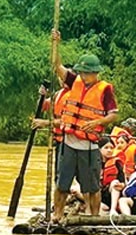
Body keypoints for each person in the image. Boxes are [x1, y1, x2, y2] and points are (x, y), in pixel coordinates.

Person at [50, 29, 119, 220]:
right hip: (69, 143)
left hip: (89, 146)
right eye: (82, 72)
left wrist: (97, 122)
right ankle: (57, 215)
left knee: (92, 187)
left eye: (87, 73)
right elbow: (58, 66)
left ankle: (94, 217)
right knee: (62, 184)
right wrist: (56, 44)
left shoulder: (105, 89)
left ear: (95, 73)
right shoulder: (75, 81)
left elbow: (113, 114)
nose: (84, 75)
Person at [99, 137, 126, 213]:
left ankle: (113, 209)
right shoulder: (94, 163)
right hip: (96, 193)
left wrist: (121, 185)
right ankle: (99, 204)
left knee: (115, 183)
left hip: (110, 193)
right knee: (76, 189)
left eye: (111, 148)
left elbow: (122, 181)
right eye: (106, 148)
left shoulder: (116, 163)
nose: (109, 150)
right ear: (100, 149)